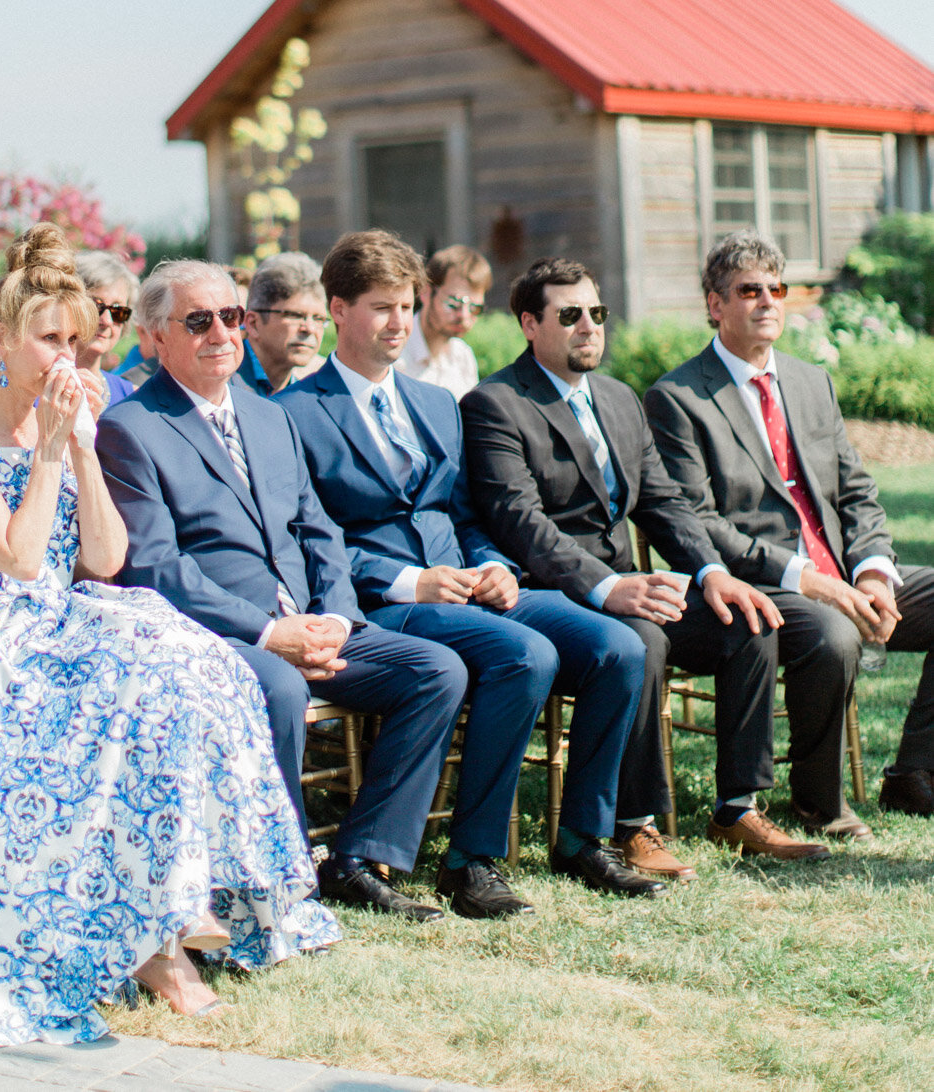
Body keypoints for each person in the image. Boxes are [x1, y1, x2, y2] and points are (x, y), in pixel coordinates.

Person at [0, 226, 336, 1053]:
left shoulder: (63, 426)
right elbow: (24, 561)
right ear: (0, 341)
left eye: (75, 337)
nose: (68, 355)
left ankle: (186, 898)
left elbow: (102, 558)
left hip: (67, 620)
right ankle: (154, 942)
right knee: (134, 690)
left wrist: (85, 450)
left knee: (198, 664)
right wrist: (53, 450)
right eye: (49, 339)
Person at [283, 230, 653, 903]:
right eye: (379, 307)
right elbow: (315, 535)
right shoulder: (293, 414)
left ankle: (581, 840)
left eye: (405, 305)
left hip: (468, 586)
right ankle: (470, 859)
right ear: (337, 310)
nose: (398, 322)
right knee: (525, 657)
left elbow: (468, 513)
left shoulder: (432, 403)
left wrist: (492, 564)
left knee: (618, 647)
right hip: (386, 603)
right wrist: (407, 581)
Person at [98, 259, 469, 921]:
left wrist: (339, 620)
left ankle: (357, 860)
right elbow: (156, 567)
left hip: (313, 627)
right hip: (219, 639)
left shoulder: (266, 416)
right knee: (279, 684)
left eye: (231, 317)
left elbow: (317, 527)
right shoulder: (131, 429)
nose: (220, 332)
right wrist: (271, 634)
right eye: (197, 320)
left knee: (436, 670)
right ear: (154, 337)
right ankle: (280, 880)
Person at [461, 257, 828, 872]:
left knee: (747, 619)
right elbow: (520, 524)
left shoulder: (617, 397)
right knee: (643, 641)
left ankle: (737, 808)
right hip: (557, 594)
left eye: (597, 314)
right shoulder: (496, 403)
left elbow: (662, 502)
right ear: (529, 323)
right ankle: (634, 823)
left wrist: (714, 574)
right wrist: (609, 588)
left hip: (633, 585)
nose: (589, 328)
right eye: (570, 315)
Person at [646, 230, 934, 830]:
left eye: (776, 288)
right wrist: (812, 581)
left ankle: (914, 773)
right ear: (714, 304)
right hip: (759, 582)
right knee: (832, 634)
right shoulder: (678, 397)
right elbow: (698, 522)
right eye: (749, 290)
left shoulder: (810, 382)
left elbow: (855, 491)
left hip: (841, 569)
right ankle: (817, 802)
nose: (767, 301)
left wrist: (874, 572)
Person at [397, 245, 490, 401]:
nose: (464, 316)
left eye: (474, 308)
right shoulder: (396, 352)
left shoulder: (463, 356)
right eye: (453, 303)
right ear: (426, 292)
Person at [239, 251, 329, 396]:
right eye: (295, 316)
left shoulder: (318, 390)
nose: (310, 329)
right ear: (253, 323)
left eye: (319, 319)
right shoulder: (219, 385)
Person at [73, 250, 140, 408]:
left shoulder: (131, 398)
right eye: (96, 305)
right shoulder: (34, 389)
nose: (107, 321)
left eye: (118, 311)